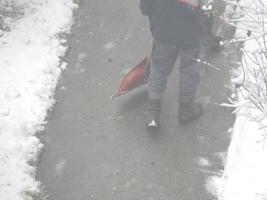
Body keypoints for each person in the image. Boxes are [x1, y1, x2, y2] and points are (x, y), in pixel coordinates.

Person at [140, 0, 213, 128]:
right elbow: (206, 10)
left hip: (163, 31)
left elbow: (145, 8)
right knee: (189, 68)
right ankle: (186, 110)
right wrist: (205, 29)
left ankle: (153, 112)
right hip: (190, 33)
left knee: (159, 67)